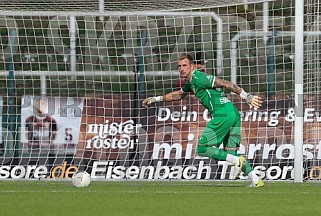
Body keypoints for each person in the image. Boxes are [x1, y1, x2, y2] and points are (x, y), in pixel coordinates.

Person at [143, 53, 264, 187]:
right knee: (231, 152)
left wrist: (246, 96)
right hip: (232, 113)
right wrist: (156, 99)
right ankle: (255, 180)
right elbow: (178, 94)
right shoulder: (191, 82)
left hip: (222, 114)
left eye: (185, 65)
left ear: (192, 66)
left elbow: (225, 83)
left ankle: (237, 161)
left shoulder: (199, 77)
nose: (182, 68)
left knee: (202, 148)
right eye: (179, 66)